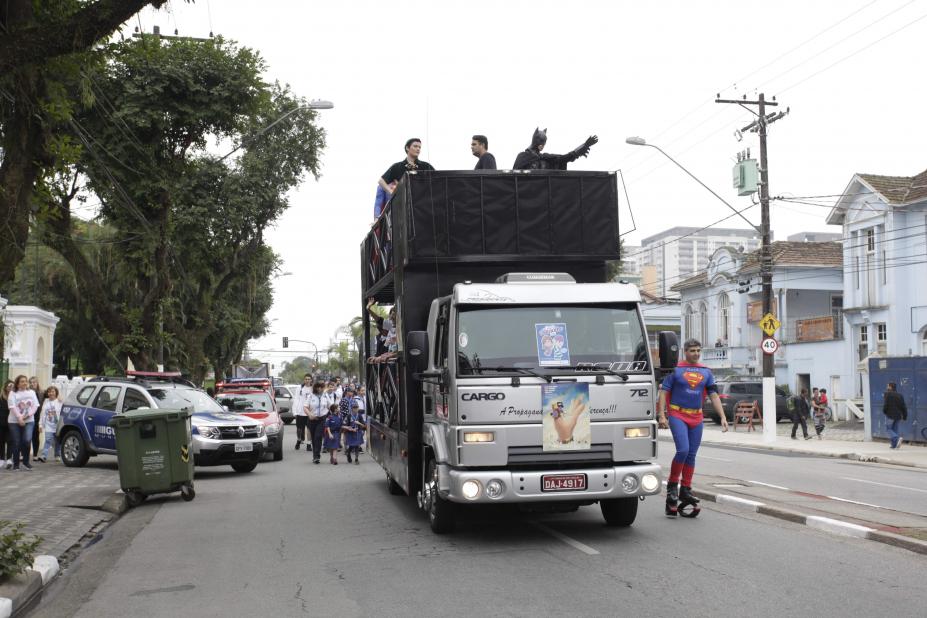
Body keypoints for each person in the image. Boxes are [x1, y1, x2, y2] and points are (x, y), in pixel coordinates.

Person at [656, 339, 728, 517]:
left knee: (691, 455)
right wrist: (662, 415)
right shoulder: (675, 369)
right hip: (677, 414)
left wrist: (723, 417)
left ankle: (686, 489)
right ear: (685, 351)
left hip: (697, 417)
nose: (696, 353)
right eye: (692, 350)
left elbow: (714, 395)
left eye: (698, 350)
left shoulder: (706, 372)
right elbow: (663, 392)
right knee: (683, 450)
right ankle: (673, 488)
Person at [512, 128, 598, 170]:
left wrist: (583, 147)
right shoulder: (522, 157)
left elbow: (563, 158)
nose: (542, 145)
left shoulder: (544, 157)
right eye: (541, 142)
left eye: (544, 143)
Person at [7, 375, 39, 471]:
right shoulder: (12, 393)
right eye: (22, 381)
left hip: (29, 420)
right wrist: (20, 418)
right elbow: (12, 407)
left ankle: (26, 462)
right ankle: (16, 464)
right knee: (16, 442)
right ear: (17, 383)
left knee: (27, 440)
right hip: (14, 421)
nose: (24, 383)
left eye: (25, 381)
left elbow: (35, 406)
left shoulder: (31, 392)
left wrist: (27, 416)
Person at [307, 381, 333, 464]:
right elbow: (305, 407)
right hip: (312, 419)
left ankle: (316, 456)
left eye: (321, 387)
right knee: (314, 438)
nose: (319, 389)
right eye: (318, 387)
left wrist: (334, 412)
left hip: (322, 419)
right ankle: (315, 455)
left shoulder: (325, 396)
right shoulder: (311, 396)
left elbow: (330, 406)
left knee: (318, 436)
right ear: (315, 388)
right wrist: (309, 414)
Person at [38, 386, 62, 462]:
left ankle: (57, 455)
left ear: (56, 393)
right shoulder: (46, 401)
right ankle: (44, 456)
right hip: (48, 424)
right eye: (49, 392)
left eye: (53, 391)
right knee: (48, 440)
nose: (51, 393)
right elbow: (42, 414)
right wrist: (40, 425)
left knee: (57, 441)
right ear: (47, 393)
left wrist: (61, 399)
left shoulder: (59, 401)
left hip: (58, 425)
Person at [882, 382, 907, 449]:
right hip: (898, 416)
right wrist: (905, 416)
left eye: (888, 386)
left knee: (888, 429)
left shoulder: (887, 394)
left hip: (890, 415)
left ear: (890, 387)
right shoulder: (900, 395)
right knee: (895, 430)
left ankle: (897, 438)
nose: (887, 387)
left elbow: (885, 405)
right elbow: (903, 406)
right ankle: (894, 445)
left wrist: (884, 411)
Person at [294, 374, 313, 451]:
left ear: (311, 380)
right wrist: (295, 411)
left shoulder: (313, 388)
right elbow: (296, 399)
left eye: (309, 379)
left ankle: (309, 444)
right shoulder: (300, 388)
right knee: (299, 429)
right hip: (301, 412)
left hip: (309, 412)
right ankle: (299, 440)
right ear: (304, 380)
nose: (307, 380)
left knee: (309, 428)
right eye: (306, 379)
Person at [29, 376, 44, 458]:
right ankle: (23, 454)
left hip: (37, 417)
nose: (32, 384)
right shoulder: (27, 392)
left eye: (34, 382)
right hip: (28, 416)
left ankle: (35, 455)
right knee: (26, 437)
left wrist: (59, 398)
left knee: (36, 436)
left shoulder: (42, 392)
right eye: (30, 382)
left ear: (37, 383)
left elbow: (53, 392)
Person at [1, 380, 13, 469]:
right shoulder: (1, 397)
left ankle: (9, 459)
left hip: (11, 423)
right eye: (9, 386)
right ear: (5, 387)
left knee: (10, 441)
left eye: (12, 386)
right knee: (1, 441)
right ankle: (1, 459)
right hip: (1, 422)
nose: (10, 388)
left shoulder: (14, 397)